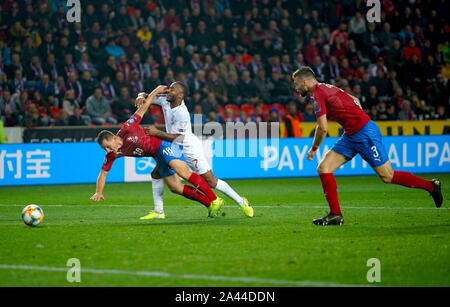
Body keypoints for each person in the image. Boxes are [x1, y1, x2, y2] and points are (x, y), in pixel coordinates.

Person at [292, 66, 443, 226]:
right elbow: (355, 100)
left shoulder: (316, 94)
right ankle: (335, 215)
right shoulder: (327, 87)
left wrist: (314, 149)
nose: (296, 88)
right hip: (351, 134)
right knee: (324, 168)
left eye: (296, 84)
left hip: (364, 134)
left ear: (305, 81)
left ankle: (431, 186)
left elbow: (322, 128)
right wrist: (355, 119)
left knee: (387, 176)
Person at [90, 85, 225, 218]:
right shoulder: (112, 154)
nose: (108, 150)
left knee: (182, 172)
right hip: (157, 154)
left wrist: (156, 90)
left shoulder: (127, 128)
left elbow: (143, 108)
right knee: (175, 187)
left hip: (163, 144)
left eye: (108, 146)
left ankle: (215, 199)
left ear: (114, 138)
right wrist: (98, 192)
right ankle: (209, 204)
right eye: (105, 149)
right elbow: (103, 173)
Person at [135, 82, 253, 220]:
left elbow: (179, 138)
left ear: (180, 95)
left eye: (172, 89)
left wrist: (156, 132)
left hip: (187, 147)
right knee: (156, 173)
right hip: (172, 146)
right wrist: (140, 95)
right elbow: (147, 96)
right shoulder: (165, 100)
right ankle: (159, 211)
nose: (168, 91)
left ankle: (241, 202)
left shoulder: (182, 113)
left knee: (211, 182)